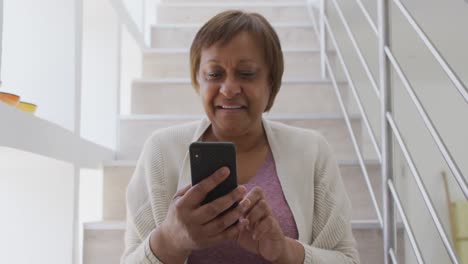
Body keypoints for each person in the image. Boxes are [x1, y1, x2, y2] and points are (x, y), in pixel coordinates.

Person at [121, 10, 359, 264]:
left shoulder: (312, 151)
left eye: (246, 74)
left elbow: (347, 259)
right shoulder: (160, 151)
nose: (229, 89)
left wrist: (286, 252)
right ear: (198, 80)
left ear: (271, 82)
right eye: (214, 74)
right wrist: (169, 241)